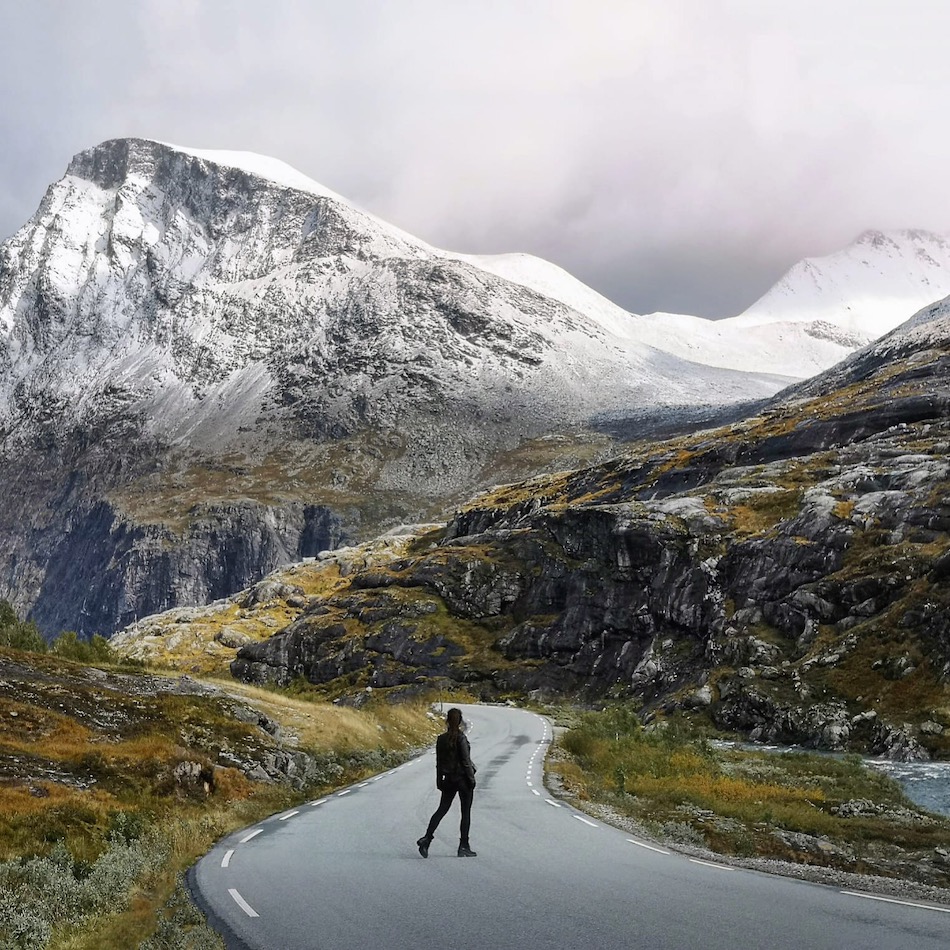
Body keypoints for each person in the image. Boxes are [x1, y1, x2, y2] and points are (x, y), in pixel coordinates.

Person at [417, 707, 478, 857]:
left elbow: (438, 762)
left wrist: (439, 781)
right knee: (465, 813)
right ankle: (463, 845)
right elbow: (465, 761)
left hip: (448, 779)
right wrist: (471, 779)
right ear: (460, 721)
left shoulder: (441, 739)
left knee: (441, 809)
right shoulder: (461, 738)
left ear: (447, 721)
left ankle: (427, 838)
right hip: (463, 779)